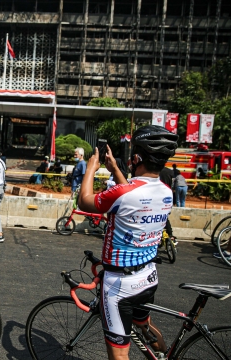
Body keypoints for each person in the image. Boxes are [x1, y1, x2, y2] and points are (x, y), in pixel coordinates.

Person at [78, 125, 179, 360]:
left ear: (135, 158)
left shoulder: (125, 193)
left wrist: (91, 168)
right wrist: (114, 169)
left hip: (120, 286)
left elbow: (84, 201)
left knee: (119, 355)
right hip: (148, 277)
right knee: (145, 328)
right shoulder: (166, 192)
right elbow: (132, 196)